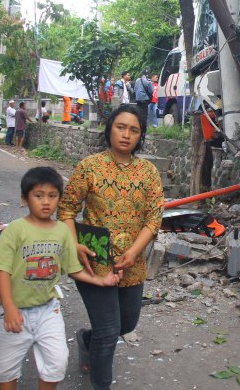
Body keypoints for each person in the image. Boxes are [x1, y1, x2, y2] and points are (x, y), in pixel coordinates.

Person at [0, 166, 122, 390]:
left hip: (47, 309)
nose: (46, 202)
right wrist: (9, 307)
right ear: (24, 199)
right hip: (13, 310)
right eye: (38, 196)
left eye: (52, 196)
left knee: (57, 362)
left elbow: (73, 268)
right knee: (6, 368)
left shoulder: (61, 231)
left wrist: (101, 280)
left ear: (59, 198)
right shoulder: (15, 231)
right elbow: (2, 270)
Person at [58, 104, 164, 390]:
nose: (126, 135)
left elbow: (154, 218)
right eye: (121, 127)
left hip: (132, 264)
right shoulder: (89, 167)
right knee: (108, 332)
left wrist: (133, 252)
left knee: (125, 326)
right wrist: (75, 245)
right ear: (109, 129)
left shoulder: (148, 172)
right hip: (94, 261)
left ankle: (86, 340)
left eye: (134, 130)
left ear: (140, 136)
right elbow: (66, 209)